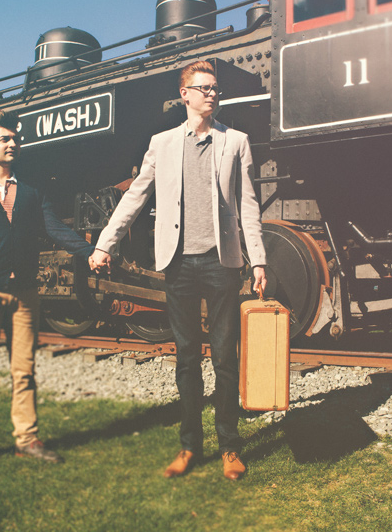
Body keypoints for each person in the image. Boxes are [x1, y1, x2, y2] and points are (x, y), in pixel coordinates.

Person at [89, 60, 267, 480]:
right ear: (184, 94)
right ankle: (190, 447)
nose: (211, 94)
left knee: (225, 357)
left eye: (215, 88)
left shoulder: (236, 142)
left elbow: (248, 206)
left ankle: (229, 447)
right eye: (203, 88)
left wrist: (258, 259)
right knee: (186, 359)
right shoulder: (163, 143)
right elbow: (134, 197)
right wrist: (104, 244)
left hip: (222, 263)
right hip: (178, 264)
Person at [0, 109, 94, 467]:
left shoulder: (29, 193)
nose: (13, 143)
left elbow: (55, 228)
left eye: (15, 138)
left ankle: (26, 438)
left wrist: (91, 252)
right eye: (5, 138)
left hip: (25, 292)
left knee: (24, 368)